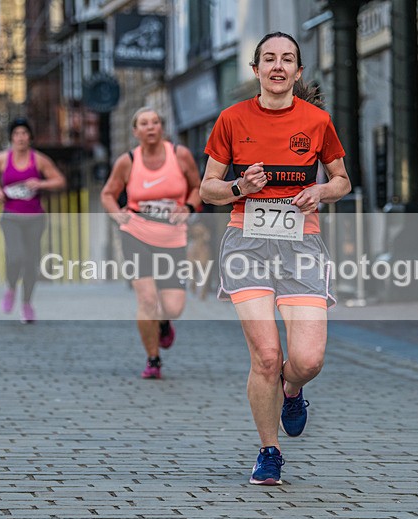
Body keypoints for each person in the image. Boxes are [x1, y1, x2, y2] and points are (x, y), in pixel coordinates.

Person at [200, 32, 351, 485]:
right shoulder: (231, 119)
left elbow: (342, 179)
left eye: (287, 59)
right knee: (266, 356)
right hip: (245, 241)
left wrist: (320, 191)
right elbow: (207, 189)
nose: (278, 66)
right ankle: (269, 451)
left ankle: (293, 387)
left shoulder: (317, 121)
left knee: (308, 359)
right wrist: (238, 188)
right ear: (256, 70)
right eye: (269, 58)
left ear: (298, 71)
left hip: (301, 244)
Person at [100, 107, 202, 379]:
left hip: (171, 237)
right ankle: (153, 359)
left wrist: (189, 208)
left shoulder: (179, 155)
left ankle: (165, 322)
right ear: (135, 131)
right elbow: (108, 194)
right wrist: (116, 213)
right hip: (136, 233)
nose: (150, 127)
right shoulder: (128, 161)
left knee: (173, 306)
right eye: (144, 123)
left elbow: (198, 187)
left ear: (162, 127)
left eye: (155, 122)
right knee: (146, 299)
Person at [0, 118, 66, 323]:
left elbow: (59, 180)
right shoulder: (2, 159)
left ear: (30, 137)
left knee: (31, 263)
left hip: (34, 218)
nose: (21, 137)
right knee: (15, 257)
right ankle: (11, 288)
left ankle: (27, 304)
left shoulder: (39, 160)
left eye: (24, 133)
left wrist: (40, 183)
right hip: (11, 217)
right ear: (11, 137)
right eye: (16, 134)